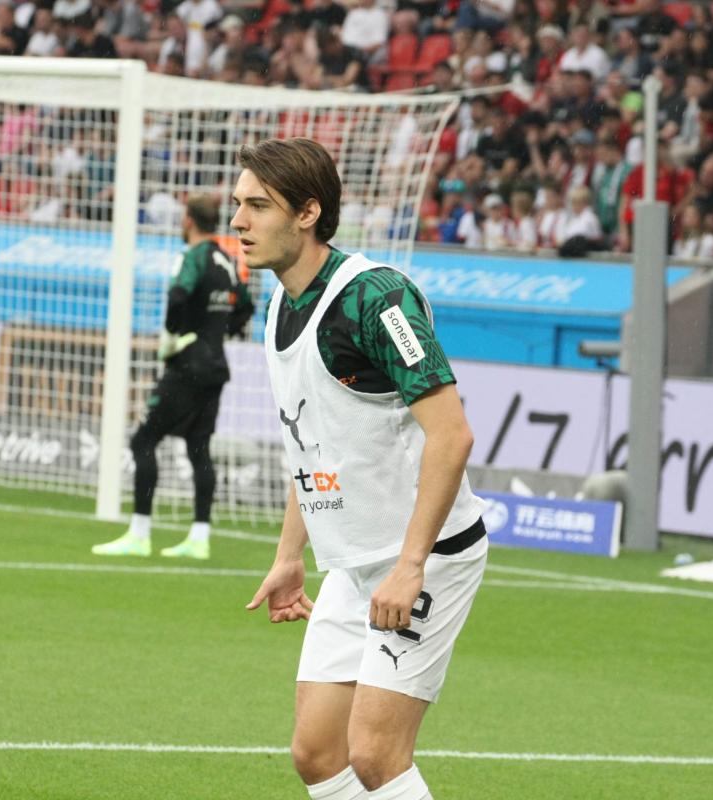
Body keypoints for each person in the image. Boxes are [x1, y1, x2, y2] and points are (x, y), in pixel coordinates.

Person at [236, 138, 487, 800]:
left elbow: (452, 436)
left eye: (258, 206)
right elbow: (314, 446)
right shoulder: (281, 303)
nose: (238, 221)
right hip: (354, 565)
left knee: (377, 754)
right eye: (239, 204)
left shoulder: (377, 298)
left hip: (427, 557)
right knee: (318, 755)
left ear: (307, 213)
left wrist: (411, 566)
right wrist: (290, 554)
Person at [92, 195, 253, 559]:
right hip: (215, 366)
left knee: (143, 440)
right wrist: (219, 333)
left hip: (188, 365)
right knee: (199, 448)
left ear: (188, 220)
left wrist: (172, 335)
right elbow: (246, 306)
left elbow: (178, 295)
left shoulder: (192, 257)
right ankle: (199, 538)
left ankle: (139, 534)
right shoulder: (227, 260)